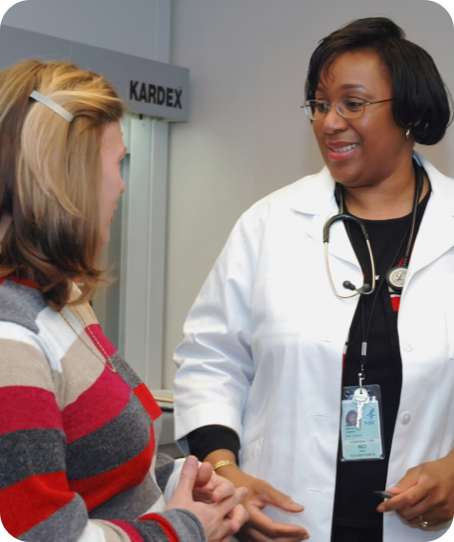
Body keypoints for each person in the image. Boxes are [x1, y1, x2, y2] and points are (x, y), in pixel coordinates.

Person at [173, 17, 454, 542]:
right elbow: (210, 360)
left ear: (411, 112)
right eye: (320, 104)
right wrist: (226, 473)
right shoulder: (271, 223)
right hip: (285, 519)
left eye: (352, 103)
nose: (329, 122)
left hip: (424, 527)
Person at [0, 59, 248, 542]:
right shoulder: (11, 340)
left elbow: (111, 467)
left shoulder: (60, 300)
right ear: (71, 176)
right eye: (118, 163)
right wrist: (183, 529)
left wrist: (181, 481)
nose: (121, 184)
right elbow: (46, 537)